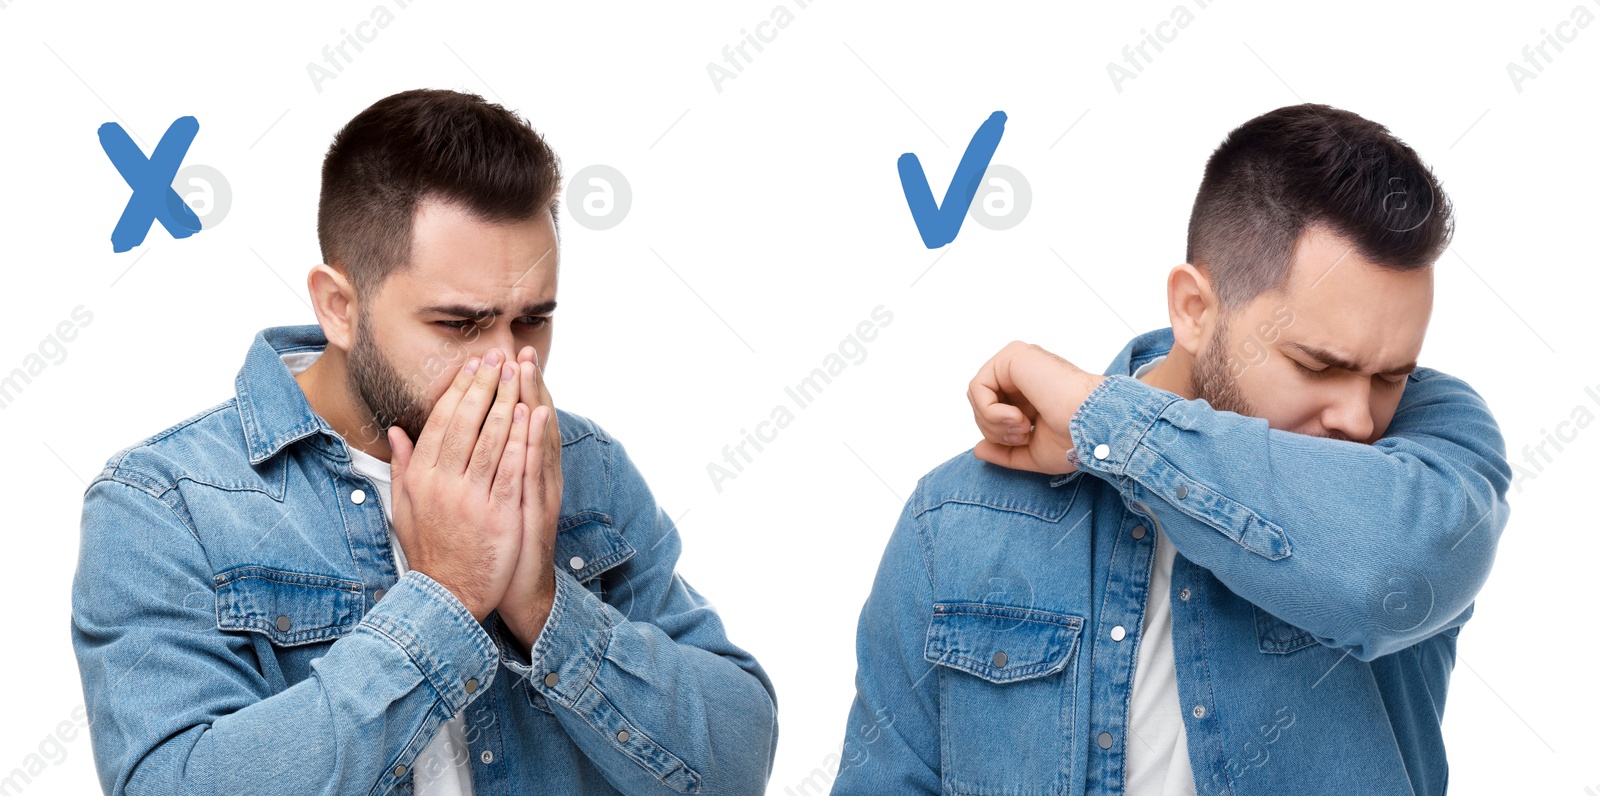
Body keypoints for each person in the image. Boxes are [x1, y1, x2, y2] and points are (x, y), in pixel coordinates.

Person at [71, 88, 777, 795]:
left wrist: (541, 602)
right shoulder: (164, 505)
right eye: (460, 324)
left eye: (533, 320)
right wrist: (445, 598)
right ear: (340, 308)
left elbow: (735, 765)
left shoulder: (583, 463)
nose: (510, 363)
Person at [829, 103, 1511, 795]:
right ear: (1193, 309)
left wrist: (1103, 420)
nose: (1360, 420)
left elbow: (1387, 572)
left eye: (1390, 375)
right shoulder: (958, 519)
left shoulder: (1433, 446)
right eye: (1317, 365)